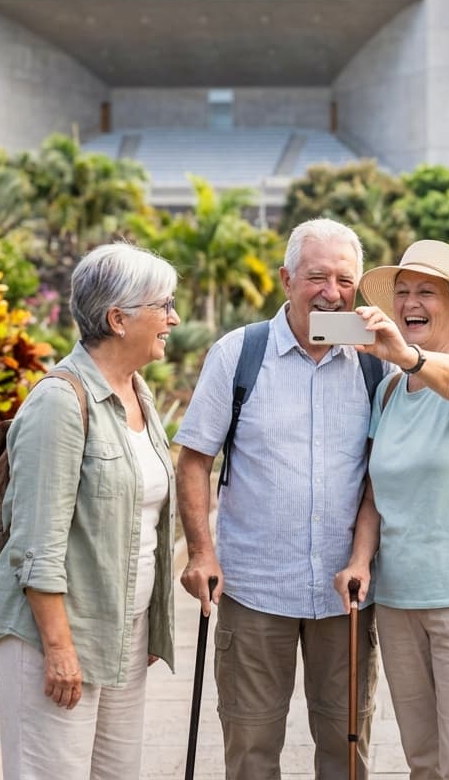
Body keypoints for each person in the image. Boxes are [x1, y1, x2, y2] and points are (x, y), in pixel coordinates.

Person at [174, 218, 381, 780]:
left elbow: (378, 474)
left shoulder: (373, 359)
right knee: (250, 747)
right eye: (317, 276)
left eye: (344, 279)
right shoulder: (239, 353)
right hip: (254, 586)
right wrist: (200, 552)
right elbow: (194, 458)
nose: (331, 292)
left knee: (346, 748)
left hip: (346, 596)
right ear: (287, 278)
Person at [0, 242, 180, 780]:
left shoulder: (136, 394)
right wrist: (58, 649)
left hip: (123, 635)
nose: (174, 318)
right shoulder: (59, 401)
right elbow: (35, 543)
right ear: (119, 319)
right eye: (163, 305)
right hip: (61, 637)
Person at [333, 239, 449, 780]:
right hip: (399, 601)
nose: (412, 303)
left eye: (428, 292)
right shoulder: (390, 390)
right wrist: (361, 559)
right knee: (424, 762)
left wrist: (406, 355)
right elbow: (374, 488)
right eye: (403, 292)